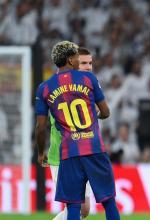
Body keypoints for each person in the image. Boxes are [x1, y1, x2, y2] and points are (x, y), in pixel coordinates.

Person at [35, 41, 120, 220]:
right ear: (71, 59)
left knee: (73, 205)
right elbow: (105, 112)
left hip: (69, 153)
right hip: (93, 148)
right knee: (108, 200)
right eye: (76, 57)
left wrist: (40, 152)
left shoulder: (45, 88)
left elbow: (40, 127)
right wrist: (91, 119)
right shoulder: (88, 80)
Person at [46, 47, 94, 220]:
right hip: (63, 155)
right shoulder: (58, 87)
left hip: (82, 153)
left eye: (90, 63)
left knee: (84, 209)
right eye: (83, 63)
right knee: (76, 207)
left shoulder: (87, 85)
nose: (88, 67)